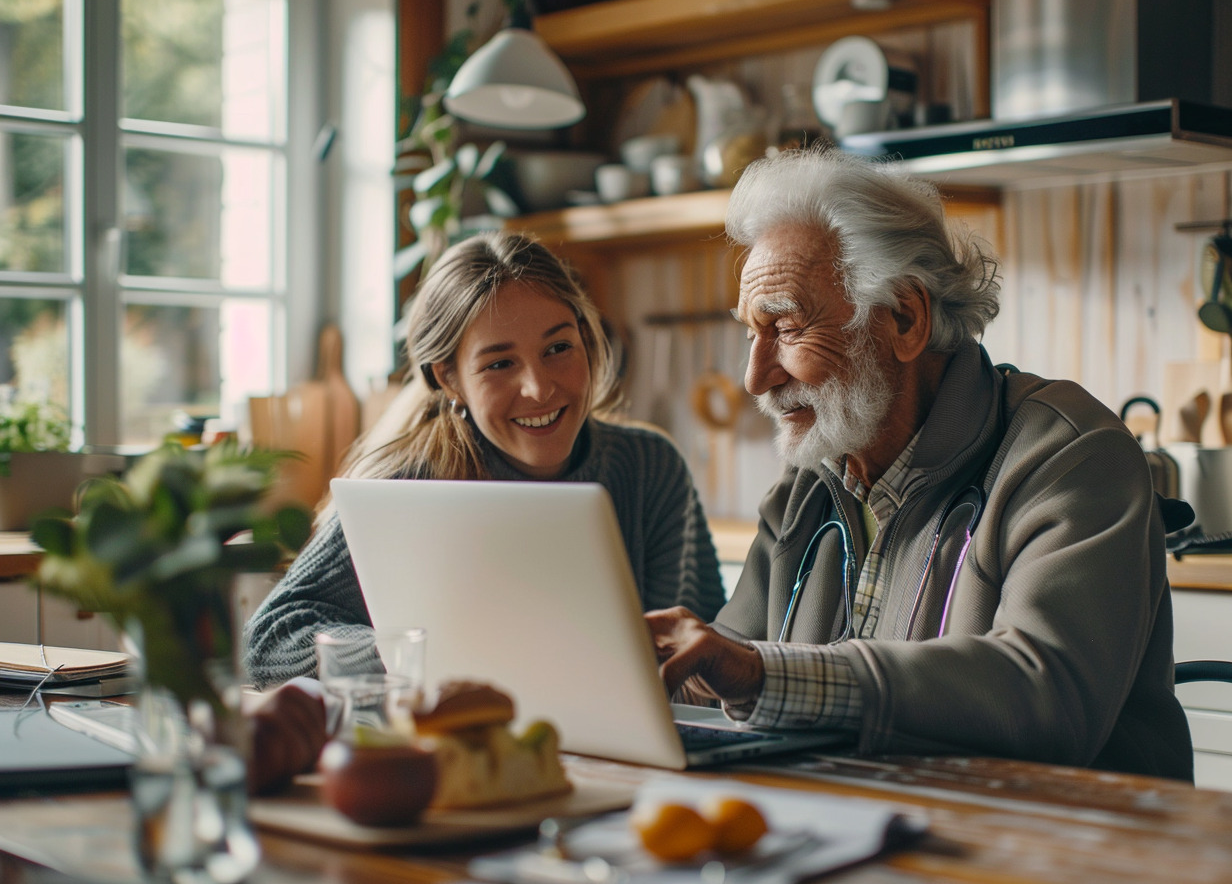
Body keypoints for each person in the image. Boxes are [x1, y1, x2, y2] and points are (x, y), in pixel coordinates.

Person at [648, 148, 1193, 781]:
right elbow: (724, 670)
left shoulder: (1069, 454)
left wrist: (764, 673)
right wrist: (636, 663)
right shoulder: (810, 485)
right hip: (877, 835)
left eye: (788, 328)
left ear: (905, 317)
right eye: (752, 332)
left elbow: (1050, 698)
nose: (754, 377)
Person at [244, 232, 726, 689]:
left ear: (587, 340)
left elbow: (707, 654)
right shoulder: (407, 487)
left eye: (558, 348)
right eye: (499, 364)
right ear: (449, 379)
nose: (539, 388)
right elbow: (267, 642)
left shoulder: (650, 468)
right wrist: (422, 654)